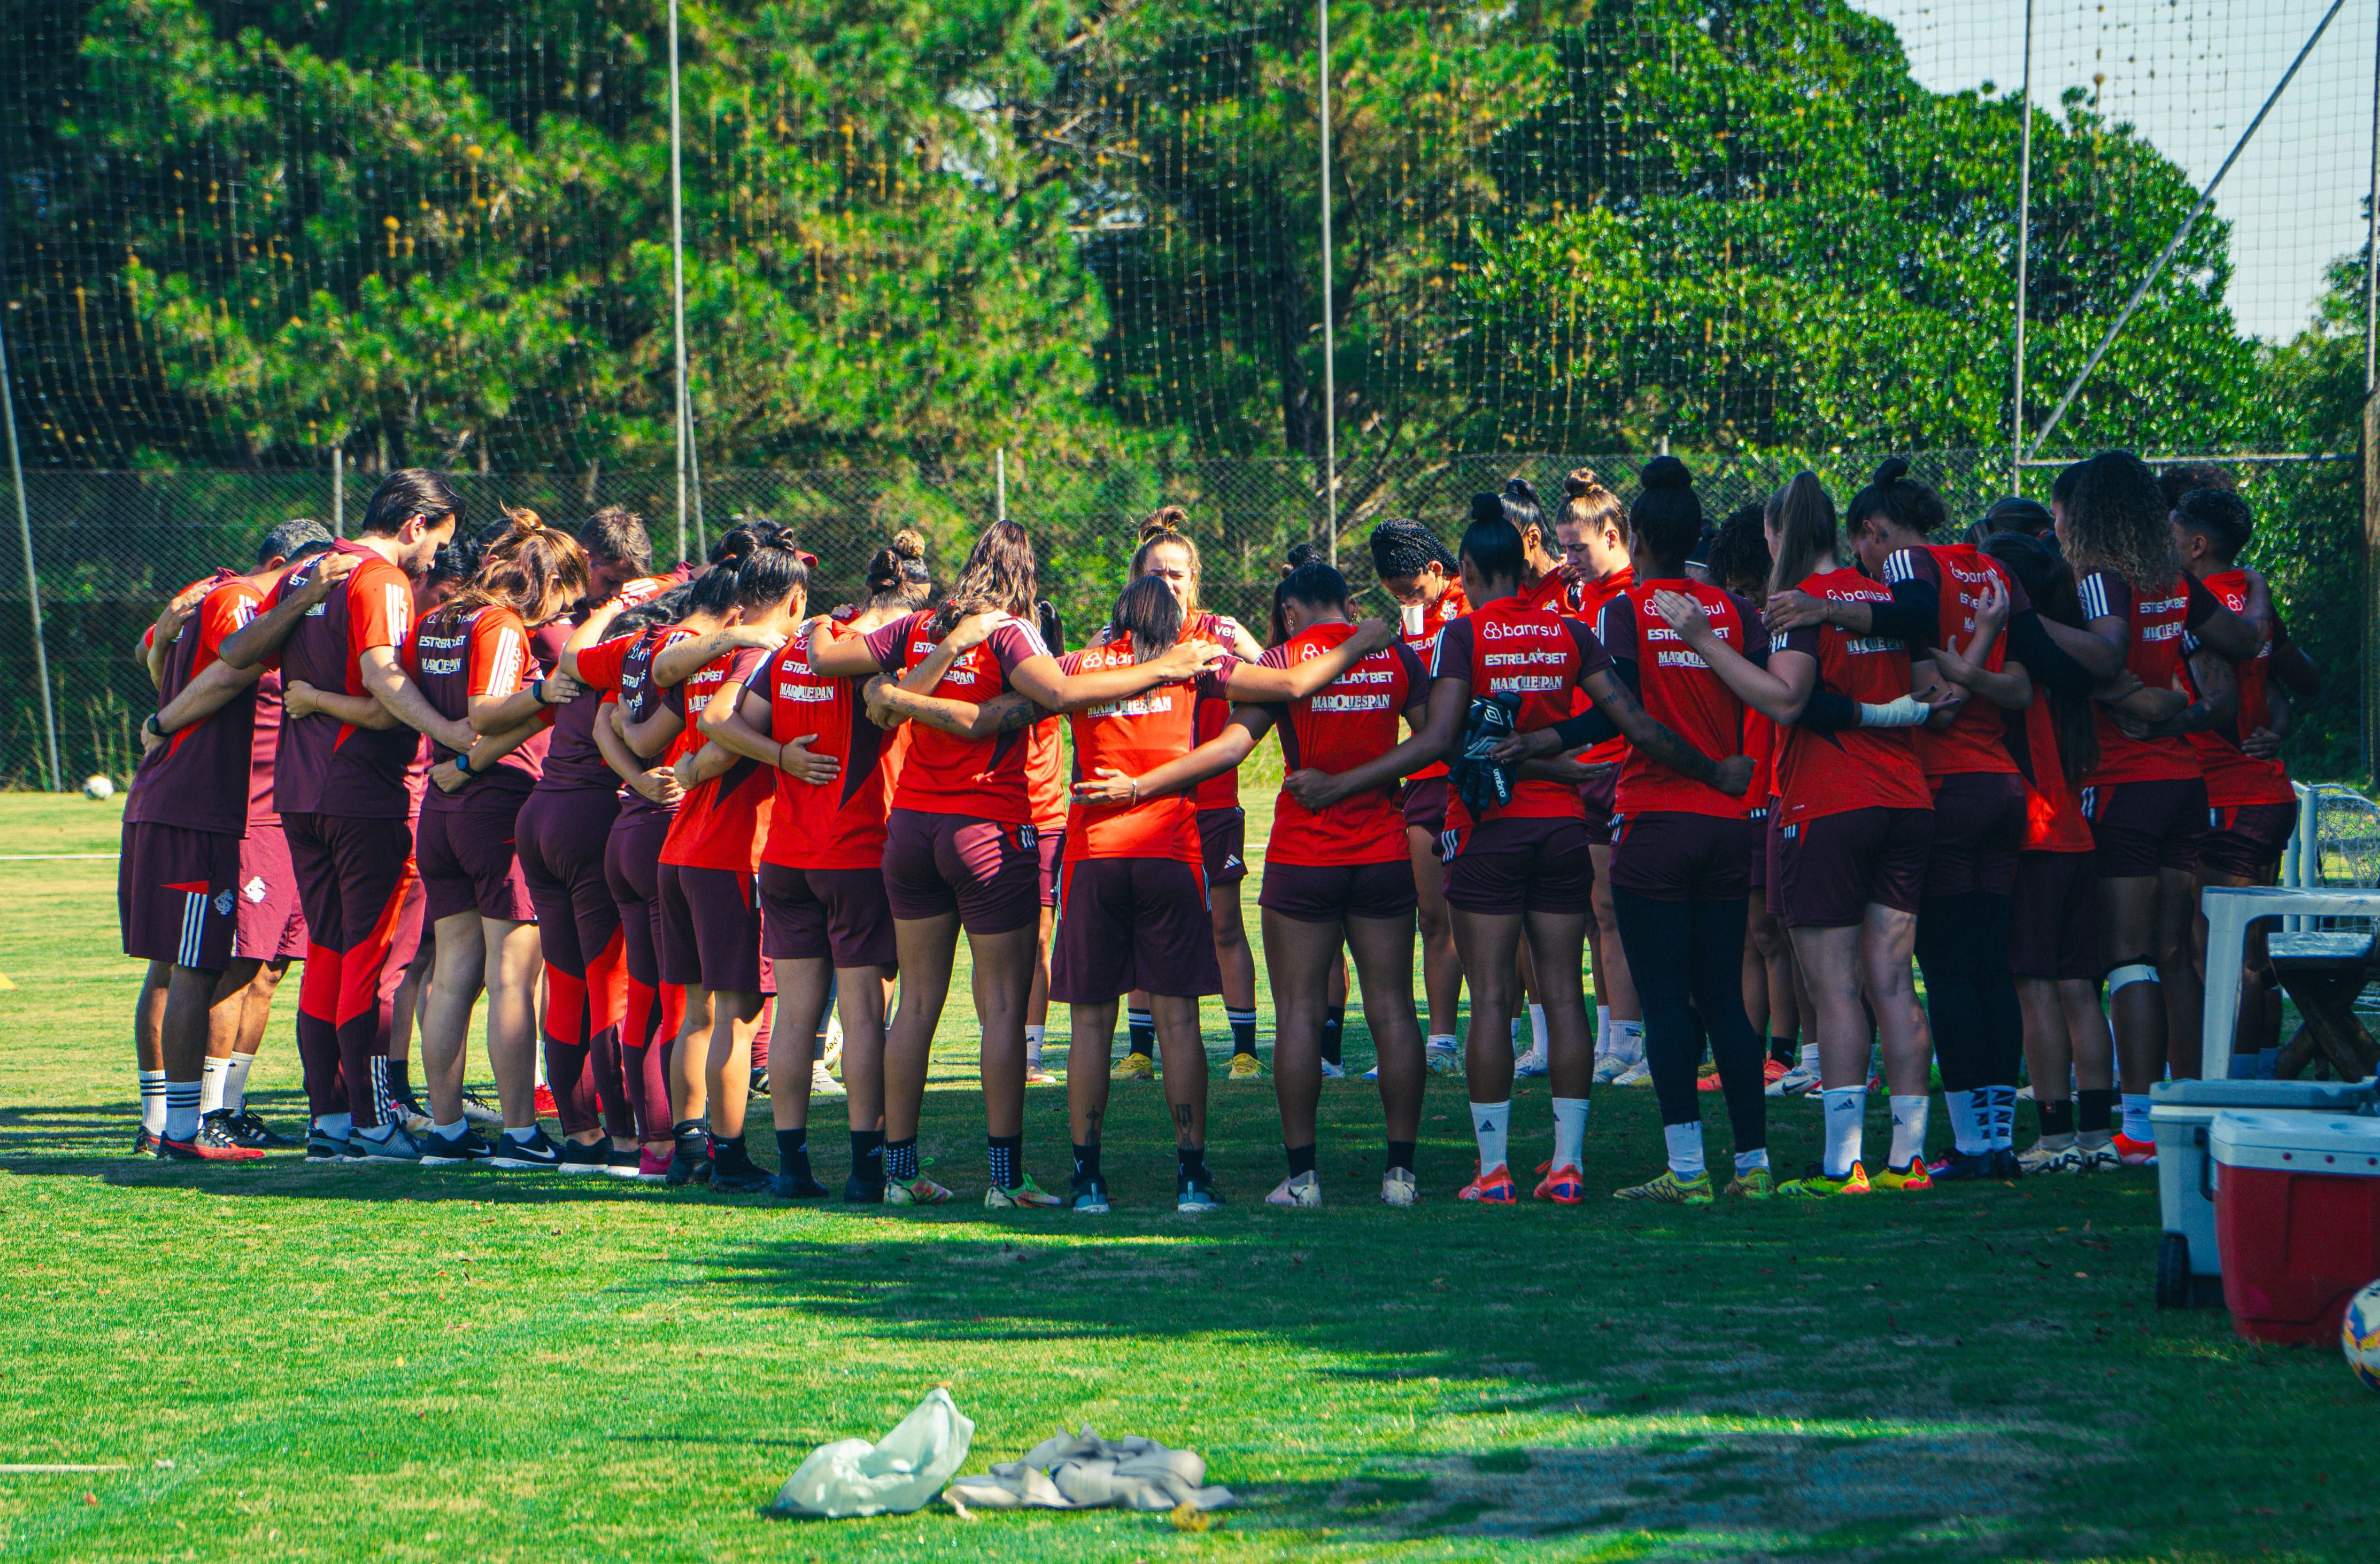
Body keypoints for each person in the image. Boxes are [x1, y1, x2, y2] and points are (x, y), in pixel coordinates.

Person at [1285, 506, 1750, 1204]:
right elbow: (1624, 717)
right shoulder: (1568, 629)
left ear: (1466, 572)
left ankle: (1494, 1172)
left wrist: (1345, 782)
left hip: (1487, 832)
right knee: (1563, 994)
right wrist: (1698, 768)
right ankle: (1567, 1168)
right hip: (1562, 832)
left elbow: (1442, 740)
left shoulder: (1464, 634)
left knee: (1493, 997)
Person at [803, 520, 1230, 1208]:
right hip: (986, 829)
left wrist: (879, 678)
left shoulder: (918, 627)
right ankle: (1006, 1182)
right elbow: (1059, 694)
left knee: (914, 1003)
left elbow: (829, 662)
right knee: (1001, 1007)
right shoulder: (1011, 632)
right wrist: (1163, 667)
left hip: (910, 827)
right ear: (1026, 578)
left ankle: (899, 1172)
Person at [1084, 562, 1430, 1208]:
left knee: (1298, 1010)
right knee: (1393, 1007)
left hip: (1306, 856)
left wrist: (1139, 786)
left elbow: (1229, 748)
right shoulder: (1395, 654)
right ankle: (1400, 1177)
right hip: (1383, 850)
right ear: (1347, 601)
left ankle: (1302, 1178)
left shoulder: (1280, 660)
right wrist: (1365, 782)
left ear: (1292, 611)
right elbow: (1438, 737)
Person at [1654, 473, 1944, 1198]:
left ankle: (1842, 1165)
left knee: (1835, 988)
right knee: (1893, 980)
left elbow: (1785, 700)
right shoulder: (1875, 591)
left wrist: (1702, 641)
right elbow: (1934, 688)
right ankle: (1907, 1159)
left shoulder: (1794, 606)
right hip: (1905, 799)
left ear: (1778, 535)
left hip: (1831, 802)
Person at [1511, 458, 1771, 1201]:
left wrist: (1538, 742)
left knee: (1662, 999)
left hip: (1657, 819)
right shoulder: (1731, 609)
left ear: (1639, 536)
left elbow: (1611, 713)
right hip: (1728, 825)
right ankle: (1752, 1167)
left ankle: (1686, 1171)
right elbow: (1762, 693)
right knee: (1722, 994)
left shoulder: (1625, 611)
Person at [215, 469, 468, 1163]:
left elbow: (236, 652)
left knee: (328, 953)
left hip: (299, 793)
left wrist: (300, 609)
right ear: (416, 524)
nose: (433, 560)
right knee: (375, 960)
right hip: (365, 793)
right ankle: (372, 1119)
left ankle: (329, 1120)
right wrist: (453, 734)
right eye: (437, 541)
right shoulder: (379, 579)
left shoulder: (308, 572)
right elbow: (385, 675)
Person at [2045, 452, 2262, 1162]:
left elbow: (2106, 658)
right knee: (2175, 955)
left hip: (2126, 781)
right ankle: (2187, 1105)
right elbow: (2242, 638)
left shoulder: (2103, 577)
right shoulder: (2168, 576)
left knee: (2128, 956)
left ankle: (2137, 1125)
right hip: (2182, 783)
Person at [1830, 460, 2042, 1180]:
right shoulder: (1990, 569)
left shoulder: (1907, 567)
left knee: (1949, 970)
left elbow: (1935, 693)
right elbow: (2017, 689)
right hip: (2001, 788)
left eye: (1860, 546)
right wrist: (1977, 661)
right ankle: (1998, 1138)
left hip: (1945, 786)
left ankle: (1974, 1144)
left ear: (1873, 530)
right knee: (1991, 965)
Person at [704, 531, 932, 1199]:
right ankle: (867, 1170)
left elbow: (729, 722)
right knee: (863, 1013)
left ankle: (793, 1167)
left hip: (786, 857)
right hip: (857, 854)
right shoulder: (879, 654)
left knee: (797, 1015)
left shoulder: (801, 645)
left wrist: (781, 757)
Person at [125, 520, 340, 1159]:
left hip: (238, 807)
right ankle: (178, 1124)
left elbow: (157, 657)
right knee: (192, 962)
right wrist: (161, 719)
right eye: (304, 575)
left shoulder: (220, 595)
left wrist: (161, 649)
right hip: (205, 807)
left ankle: (198, 1118)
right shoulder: (238, 599)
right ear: (283, 563)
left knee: (242, 962)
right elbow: (224, 669)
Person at [401, 509, 591, 1167]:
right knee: (513, 976)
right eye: (571, 593)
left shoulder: (438, 618)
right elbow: (486, 709)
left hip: (441, 807)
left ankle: (447, 1131)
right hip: (497, 806)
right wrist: (545, 690)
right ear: (549, 582)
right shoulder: (501, 623)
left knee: (452, 977)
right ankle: (518, 1132)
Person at [649, 526, 812, 1191]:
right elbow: (722, 730)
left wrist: (683, 767)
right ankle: (730, 1153)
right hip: (730, 849)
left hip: (682, 847)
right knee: (739, 1015)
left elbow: (659, 696)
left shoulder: (710, 652)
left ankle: (689, 1148)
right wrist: (704, 764)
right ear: (796, 600)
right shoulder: (760, 657)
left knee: (696, 1010)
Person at [519, 511, 674, 1178]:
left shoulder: (581, 636)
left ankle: (580, 1135)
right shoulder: (641, 643)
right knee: (615, 987)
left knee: (569, 984)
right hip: (589, 818)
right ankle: (622, 1135)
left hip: (543, 811)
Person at [1981, 531, 2123, 1172]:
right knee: (2078, 990)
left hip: (2036, 838)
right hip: (2076, 836)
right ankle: (2096, 1137)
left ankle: (2055, 1137)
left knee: (2035, 989)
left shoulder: (2019, 658)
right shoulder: (2068, 655)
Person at [1115, 509, 1268, 1083]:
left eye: (1179, 573)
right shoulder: (1118, 637)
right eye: (1158, 572)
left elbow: (1274, 676)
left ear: (1194, 578)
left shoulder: (1221, 631)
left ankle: (1245, 1048)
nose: (1169, 583)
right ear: (1137, 579)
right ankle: (1138, 1050)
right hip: (1144, 807)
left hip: (1212, 805)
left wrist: (1243, 734)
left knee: (1225, 924)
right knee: (1142, 927)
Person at [2172, 487, 2313, 1077]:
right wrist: (2274, 725)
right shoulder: (2252, 601)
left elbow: (2232, 689)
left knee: (2221, 954)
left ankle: (2231, 1080)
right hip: (2267, 793)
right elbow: (2299, 678)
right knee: (2255, 955)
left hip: (2227, 794)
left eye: (2172, 533)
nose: (2165, 544)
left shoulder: (2194, 604)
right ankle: (2258, 1074)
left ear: (2197, 544)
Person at [589, 588, 698, 1179]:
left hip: (627, 829)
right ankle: (665, 1143)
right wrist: (652, 781)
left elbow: (606, 724)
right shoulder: (686, 662)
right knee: (673, 1000)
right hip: (662, 836)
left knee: (639, 995)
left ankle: (635, 1140)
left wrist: (634, 779)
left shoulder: (634, 666)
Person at [1703, 504, 1810, 1095]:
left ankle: (1794, 1051)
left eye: (1747, 587)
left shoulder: (1793, 619)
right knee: (1752, 932)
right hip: (1747, 789)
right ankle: (1748, 1054)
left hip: (1780, 790)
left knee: (1787, 932)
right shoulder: (1744, 623)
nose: (1743, 598)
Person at [1368, 517, 1470, 1078]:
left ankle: (1507, 1031)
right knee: (1431, 916)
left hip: (1467, 773)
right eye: (1394, 594)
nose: (1404, 600)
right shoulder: (1412, 619)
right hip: (1424, 775)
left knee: (1480, 914)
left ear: (1436, 570)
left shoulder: (1467, 603)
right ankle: (1440, 1041)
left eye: (1409, 590)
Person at [1551, 470, 1644, 1089]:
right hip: (1587, 768)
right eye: (1563, 547)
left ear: (1614, 536)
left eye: (1578, 548)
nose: (1569, 560)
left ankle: (1631, 1039)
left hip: (1622, 768)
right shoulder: (1579, 597)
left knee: (1615, 911)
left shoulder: (1632, 597)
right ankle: (1613, 1035)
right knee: (1594, 912)